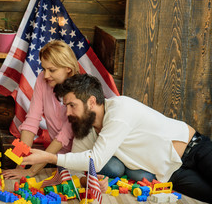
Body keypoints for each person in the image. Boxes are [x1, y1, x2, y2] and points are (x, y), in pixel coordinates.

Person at [21, 74, 212, 203]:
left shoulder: (120, 110)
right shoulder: (85, 129)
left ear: (92, 102)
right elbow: (75, 169)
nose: (68, 112)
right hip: (172, 174)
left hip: (194, 149)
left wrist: (49, 158)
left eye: (72, 105)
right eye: (66, 106)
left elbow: (95, 159)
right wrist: (86, 181)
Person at [2, 40, 79, 180]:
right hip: (54, 154)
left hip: (77, 156)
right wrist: (20, 165)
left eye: (52, 70)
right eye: (44, 69)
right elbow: (32, 120)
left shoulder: (79, 92)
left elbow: (63, 136)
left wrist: (30, 172)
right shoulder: (42, 80)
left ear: (68, 68)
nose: (46, 75)